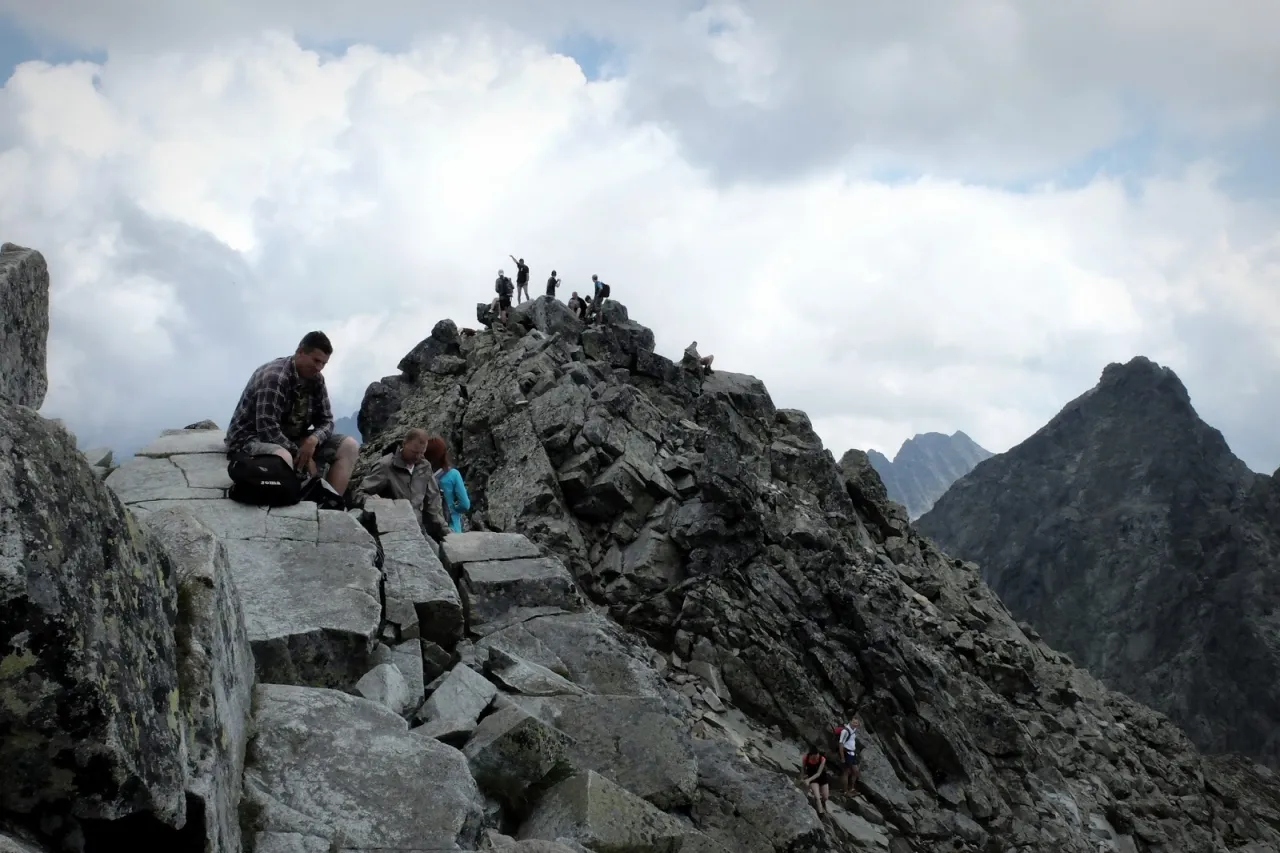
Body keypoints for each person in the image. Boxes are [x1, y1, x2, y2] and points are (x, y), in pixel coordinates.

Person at [225, 330, 359, 493]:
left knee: (349, 446)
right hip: (249, 438)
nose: (319, 368)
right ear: (300, 352)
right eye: (316, 360)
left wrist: (313, 440)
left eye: (323, 363)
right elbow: (267, 430)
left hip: (291, 437)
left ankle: (331, 500)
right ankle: (290, 499)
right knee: (284, 457)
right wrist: (302, 454)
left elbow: (327, 420)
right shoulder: (274, 378)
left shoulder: (316, 380)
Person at [353, 427, 450, 542]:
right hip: (391, 531)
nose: (418, 457)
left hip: (419, 531)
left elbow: (433, 506)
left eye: (422, 453)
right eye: (414, 452)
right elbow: (359, 494)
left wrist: (447, 533)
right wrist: (371, 500)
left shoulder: (425, 467)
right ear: (404, 444)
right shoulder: (386, 466)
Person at [425, 436, 470, 533]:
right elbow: (465, 504)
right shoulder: (453, 474)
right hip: (451, 527)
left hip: (428, 528)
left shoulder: (421, 475)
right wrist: (453, 509)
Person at [799, 744, 832, 816]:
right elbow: (803, 769)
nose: (816, 758)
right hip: (813, 779)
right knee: (817, 797)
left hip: (821, 777)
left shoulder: (822, 759)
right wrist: (802, 778)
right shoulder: (805, 758)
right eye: (814, 757)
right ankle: (820, 813)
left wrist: (808, 780)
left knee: (825, 797)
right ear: (811, 755)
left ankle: (822, 803)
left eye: (817, 756)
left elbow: (818, 773)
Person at [837, 716, 861, 794]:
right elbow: (841, 744)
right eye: (853, 722)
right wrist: (842, 757)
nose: (855, 724)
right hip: (846, 753)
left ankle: (852, 788)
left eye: (856, 723)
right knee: (846, 772)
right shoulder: (845, 731)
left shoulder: (854, 729)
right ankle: (845, 791)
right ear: (850, 721)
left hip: (852, 753)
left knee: (855, 771)